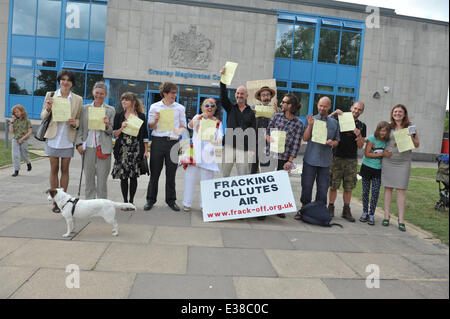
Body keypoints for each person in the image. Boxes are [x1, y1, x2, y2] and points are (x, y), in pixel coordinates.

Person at [41, 69, 82, 213]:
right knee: (54, 169)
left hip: (67, 138)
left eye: (68, 80)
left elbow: (79, 119)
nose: (65, 82)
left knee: (65, 169)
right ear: (59, 81)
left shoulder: (77, 99)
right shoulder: (51, 95)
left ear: (72, 83)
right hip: (53, 137)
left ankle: (63, 200)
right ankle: (55, 201)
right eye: (63, 79)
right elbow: (43, 116)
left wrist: (74, 122)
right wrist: (48, 108)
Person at [260, 93, 303, 220]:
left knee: (280, 184)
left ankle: (279, 208)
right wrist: (269, 139)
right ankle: (262, 210)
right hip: (270, 155)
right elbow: (267, 133)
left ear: (290, 105)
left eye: (283, 102)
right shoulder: (276, 117)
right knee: (266, 183)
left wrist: (290, 161)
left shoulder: (298, 123)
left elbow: (296, 144)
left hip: (284, 158)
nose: (281, 104)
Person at [295, 97, 340, 220]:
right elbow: (305, 138)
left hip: (325, 161)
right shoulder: (312, 119)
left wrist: (332, 142)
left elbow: (337, 141)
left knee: (322, 188)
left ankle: (318, 212)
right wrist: (309, 126)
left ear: (329, 107)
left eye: (325, 106)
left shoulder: (334, 123)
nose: (322, 108)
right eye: (320, 105)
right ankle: (304, 210)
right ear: (317, 106)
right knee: (307, 186)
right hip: (310, 158)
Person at [144, 82, 186, 212]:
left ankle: (171, 200)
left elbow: (183, 125)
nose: (175, 95)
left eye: (175, 93)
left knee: (171, 173)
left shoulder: (180, 108)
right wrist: (156, 120)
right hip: (157, 142)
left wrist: (177, 133)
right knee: (155, 173)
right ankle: (150, 200)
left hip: (173, 142)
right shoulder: (154, 107)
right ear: (165, 93)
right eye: (172, 93)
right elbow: (150, 127)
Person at [381, 104, 419, 232]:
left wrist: (411, 139)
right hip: (389, 160)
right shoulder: (387, 126)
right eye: (395, 111)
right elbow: (381, 139)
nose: (397, 113)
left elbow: (417, 144)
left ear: (404, 114)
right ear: (392, 113)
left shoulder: (411, 127)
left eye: (400, 112)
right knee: (388, 188)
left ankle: (401, 219)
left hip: (404, 161)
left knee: (401, 190)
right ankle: (386, 215)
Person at [181, 98, 223, 212]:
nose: (209, 107)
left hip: (208, 154)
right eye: (207, 105)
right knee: (190, 179)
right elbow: (189, 126)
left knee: (207, 181)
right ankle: (187, 203)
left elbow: (220, 137)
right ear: (202, 107)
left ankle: (204, 204)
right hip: (194, 152)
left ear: (215, 109)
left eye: (212, 106)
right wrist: (198, 118)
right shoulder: (197, 118)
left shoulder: (218, 122)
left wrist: (214, 145)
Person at [327, 101, 367, 222]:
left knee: (348, 187)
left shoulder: (362, 125)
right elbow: (324, 122)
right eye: (355, 108)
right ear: (351, 108)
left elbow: (361, 146)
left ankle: (346, 209)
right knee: (333, 185)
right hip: (336, 156)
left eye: (359, 109)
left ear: (362, 112)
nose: (356, 111)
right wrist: (334, 113)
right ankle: (331, 207)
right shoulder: (339, 119)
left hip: (351, 159)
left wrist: (359, 136)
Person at [75, 82, 116, 199]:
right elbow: (80, 129)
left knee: (102, 180)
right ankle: (89, 203)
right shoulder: (85, 109)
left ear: (106, 95)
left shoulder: (110, 110)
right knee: (89, 178)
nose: (99, 95)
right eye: (97, 93)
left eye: (102, 94)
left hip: (103, 148)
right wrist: (78, 144)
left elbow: (112, 131)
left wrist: (107, 125)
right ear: (93, 93)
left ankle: (102, 204)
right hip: (88, 147)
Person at [111, 92, 149, 206]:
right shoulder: (119, 115)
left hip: (136, 149)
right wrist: (121, 127)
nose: (123, 101)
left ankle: (131, 201)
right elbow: (114, 134)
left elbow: (145, 135)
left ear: (132, 102)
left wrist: (146, 151)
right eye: (122, 99)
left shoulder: (141, 116)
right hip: (122, 149)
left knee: (133, 176)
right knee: (123, 176)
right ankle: (125, 202)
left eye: (126, 100)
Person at [219, 66, 256, 177]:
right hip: (229, 147)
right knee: (224, 176)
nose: (239, 95)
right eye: (238, 93)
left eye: (242, 94)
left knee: (243, 178)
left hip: (244, 150)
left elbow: (253, 132)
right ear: (235, 95)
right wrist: (222, 80)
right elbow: (223, 96)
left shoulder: (251, 112)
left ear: (246, 96)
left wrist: (252, 149)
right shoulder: (230, 108)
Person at [359, 121, 392, 225]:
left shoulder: (387, 141)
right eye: (382, 131)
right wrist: (382, 154)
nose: (383, 133)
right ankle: (365, 212)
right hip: (367, 167)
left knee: (375, 192)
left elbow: (389, 153)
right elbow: (367, 154)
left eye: (386, 131)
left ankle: (372, 214)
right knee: (365, 191)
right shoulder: (372, 138)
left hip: (378, 169)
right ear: (378, 130)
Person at [250, 86, 278, 174]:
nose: (265, 97)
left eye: (267, 95)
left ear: (270, 97)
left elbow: (279, 126)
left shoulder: (276, 110)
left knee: (266, 168)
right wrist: (251, 115)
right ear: (260, 97)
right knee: (253, 168)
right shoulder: (253, 108)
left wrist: (277, 114)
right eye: (263, 95)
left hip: (268, 144)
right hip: (255, 142)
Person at [9, 104, 32, 177]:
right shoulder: (14, 121)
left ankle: (28, 163)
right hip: (15, 140)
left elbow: (29, 132)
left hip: (24, 140)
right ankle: (16, 170)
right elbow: (11, 131)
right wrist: (12, 122)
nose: (16, 113)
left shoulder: (27, 121)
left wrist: (22, 139)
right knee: (15, 155)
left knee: (24, 155)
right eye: (15, 112)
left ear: (22, 112)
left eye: (17, 112)